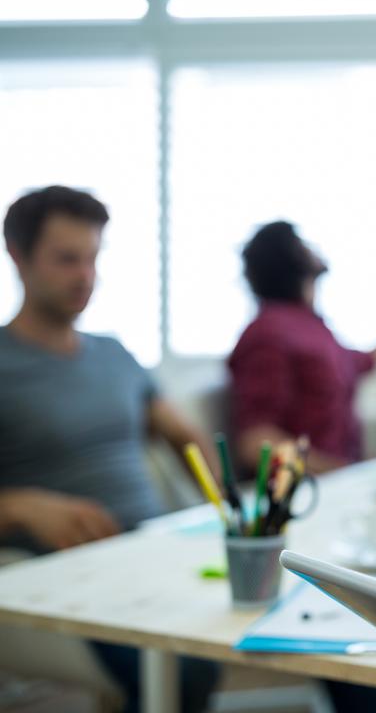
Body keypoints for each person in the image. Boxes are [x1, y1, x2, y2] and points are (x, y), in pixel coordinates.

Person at [0, 185, 220, 712]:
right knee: (184, 667)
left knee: (321, 606)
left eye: (93, 258)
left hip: (152, 550)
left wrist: (233, 506)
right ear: (18, 257)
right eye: (67, 259)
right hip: (72, 573)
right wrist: (20, 505)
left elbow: (180, 434)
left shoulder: (115, 354)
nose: (86, 276)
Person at [228, 221, 376, 475]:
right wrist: (343, 472)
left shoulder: (312, 328)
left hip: (343, 475)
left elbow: (367, 361)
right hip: (316, 488)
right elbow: (256, 443)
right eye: (302, 242)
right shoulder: (268, 334)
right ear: (291, 256)